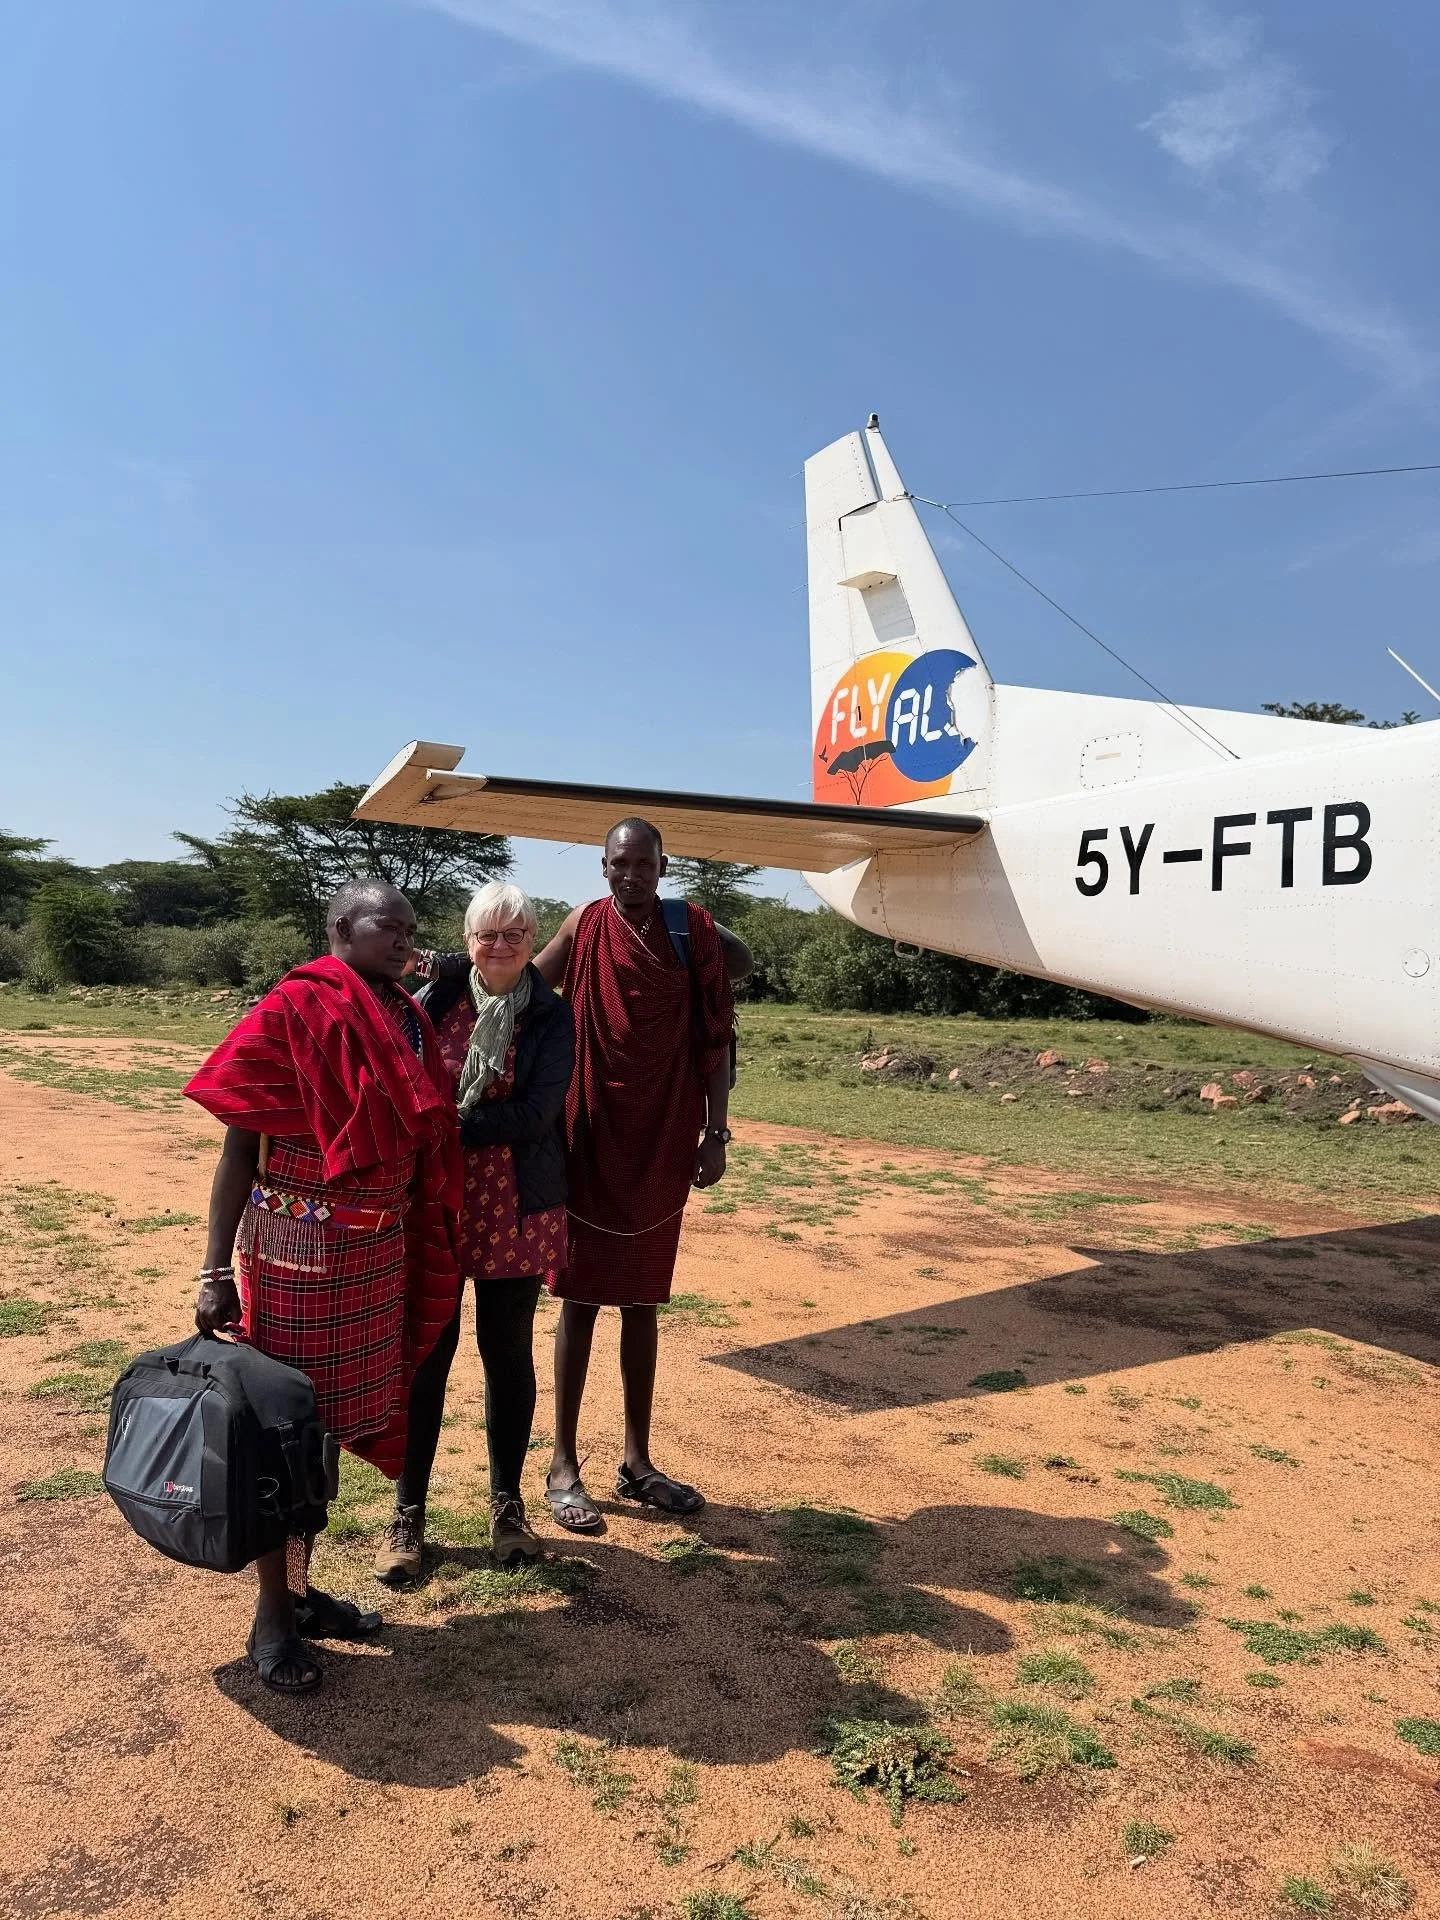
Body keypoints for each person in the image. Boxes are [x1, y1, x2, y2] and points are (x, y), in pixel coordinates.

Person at [185, 880, 460, 1694]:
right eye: (388, 924)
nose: (405, 937)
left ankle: (300, 1591)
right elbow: (240, 1151)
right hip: (296, 1257)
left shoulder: (406, 1016)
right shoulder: (289, 1012)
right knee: (283, 1439)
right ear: (340, 927)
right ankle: (273, 1613)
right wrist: (213, 1271)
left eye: (412, 927)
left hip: (376, 1258)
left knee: (330, 1432)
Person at [535, 818, 735, 1530]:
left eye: (643, 864)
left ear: (662, 864)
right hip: (587, 1135)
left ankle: (637, 1461)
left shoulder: (693, 931)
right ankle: (562, 1463)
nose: (631, 875)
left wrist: (715, 1132)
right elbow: (528, 990)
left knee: (644, 1300)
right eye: (620, 864)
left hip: (662, 1140)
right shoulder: (585, 926)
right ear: (603, 865)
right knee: (579, 1299)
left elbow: (717, 1037)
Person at [374, 881, 575, 1582]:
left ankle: (506, 1508)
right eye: (487, 934)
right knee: (427, 1349)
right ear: (467, 940)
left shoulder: (551, 1018)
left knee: (507, 1354)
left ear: (532, 940)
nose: (500, 946)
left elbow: (536, 1116)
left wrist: (447, 1125)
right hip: (434, 1200)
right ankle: (408, 1512)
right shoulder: (433, 1002)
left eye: (514, 933)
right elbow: (402, 1085)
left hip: (515, 1202)